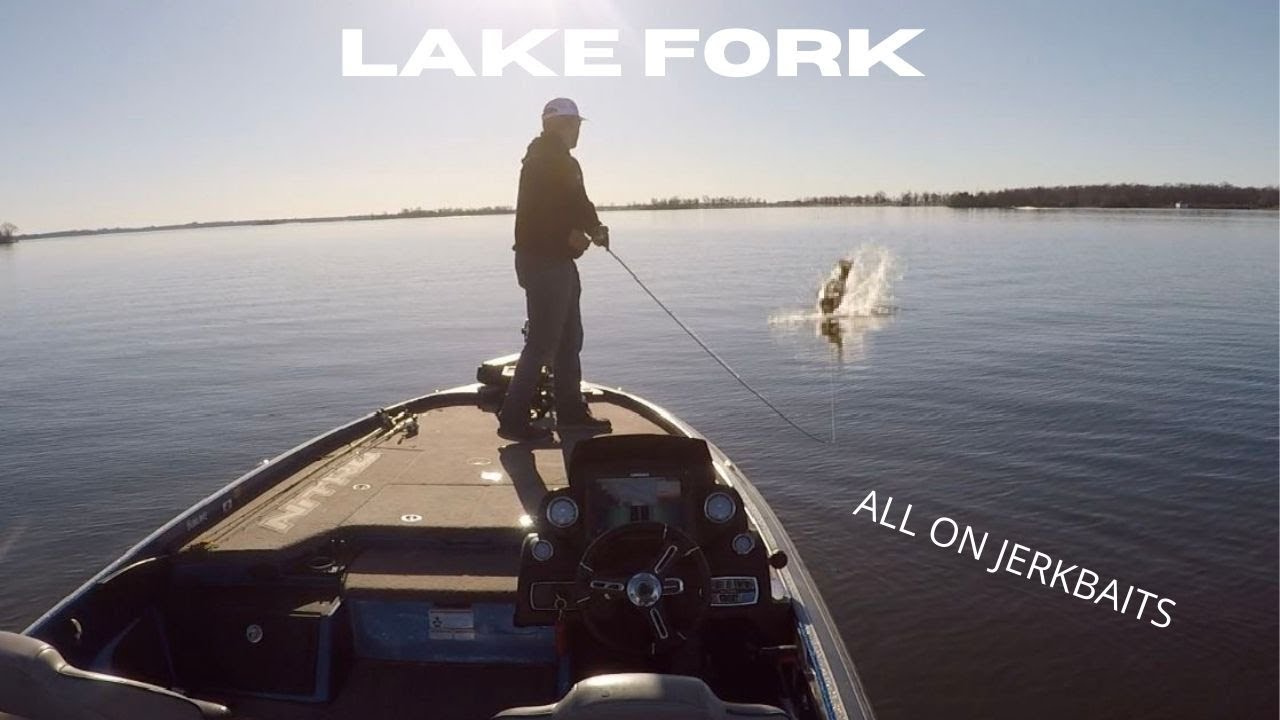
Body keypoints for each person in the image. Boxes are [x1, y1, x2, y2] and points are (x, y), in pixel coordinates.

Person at [497, 98, 613, 443]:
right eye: (576, 124)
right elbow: (540, 215)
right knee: (543, 344)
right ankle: (513, 420)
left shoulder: (562, 161)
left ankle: (571, 412)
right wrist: (569, 236)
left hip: (557, 262)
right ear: (563, 124)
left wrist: (595, 227)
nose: (579, 131)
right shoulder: (542, 161)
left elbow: (579, 203)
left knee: (569, 339)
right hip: (544, 261)